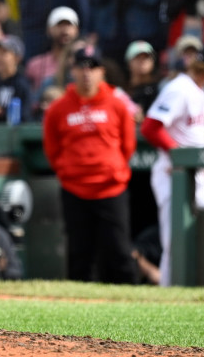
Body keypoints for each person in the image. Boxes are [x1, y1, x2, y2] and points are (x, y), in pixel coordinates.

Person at [141, 45, 204, 286]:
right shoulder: (180, 89)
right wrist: (178, 157)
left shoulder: (199, 91)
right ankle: (169, 292)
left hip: (196, 175)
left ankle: (197, 286)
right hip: (174, 174)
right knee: (175, 239)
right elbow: (150, 127)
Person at [43, 44, 137, 283]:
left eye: (93, 67)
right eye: (81, 67)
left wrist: (111, 168)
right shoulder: (58, 108)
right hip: (74, 189)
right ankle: (76, 306)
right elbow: (52, 148)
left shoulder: (117, 105)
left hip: (110, 187)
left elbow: (128, 145)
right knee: (78, 253)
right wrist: (67, 171)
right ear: (72, 71)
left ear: (101, 71)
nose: (87, 72)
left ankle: (133, 302)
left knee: (119, 251)